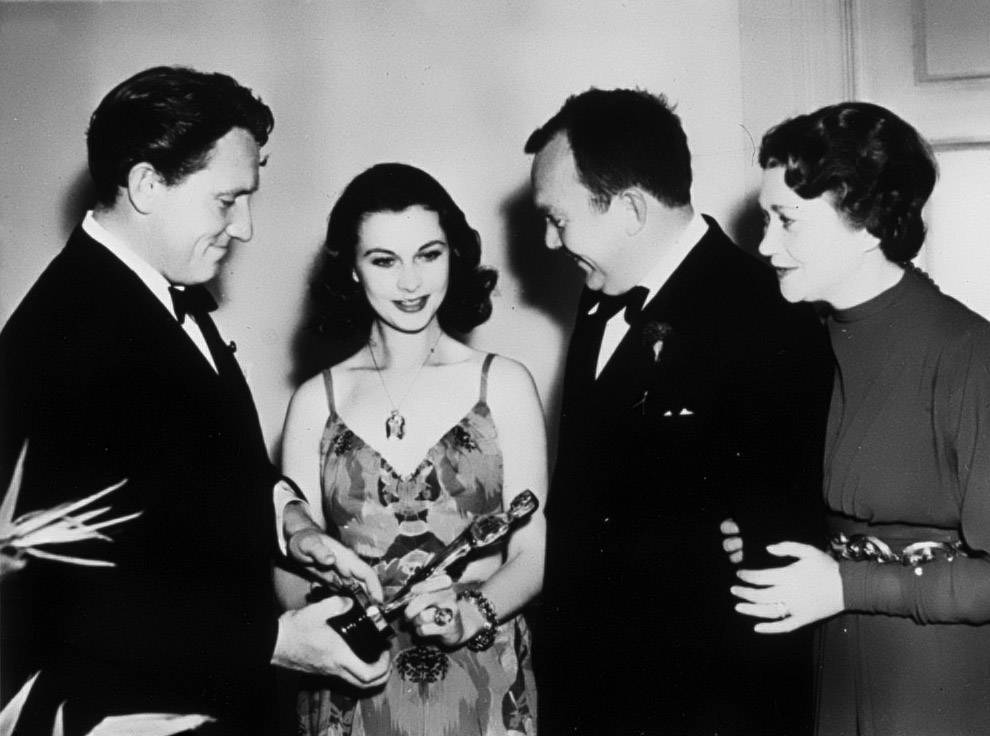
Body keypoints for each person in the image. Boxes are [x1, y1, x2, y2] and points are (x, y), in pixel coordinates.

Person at [0, 66, 390, 736]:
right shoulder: (71, 332)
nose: (244, 228)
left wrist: (291, 522)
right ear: (148, 185)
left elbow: (205, 460)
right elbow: (67, 597)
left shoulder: (158, 289)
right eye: (225, 201)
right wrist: (271, 641)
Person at [525, 88, 834, 735]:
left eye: (558, 219)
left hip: (701, 706)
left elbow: (775, 569)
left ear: (631, 208)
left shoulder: (771, 317)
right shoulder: (597, 300)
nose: (551, 243)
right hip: (593, 696)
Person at [730, 101, 990, 735]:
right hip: (838, 657)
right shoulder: (806, 341)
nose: (764, 246)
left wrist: (849, 587)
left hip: (937, 681)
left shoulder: (967, 355)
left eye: (787, 221)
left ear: (869, 222)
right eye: (766, 219)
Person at [276, 162, 547, 736]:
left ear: (455, 254)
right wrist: (340, 619)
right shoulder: (315, 400)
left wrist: (467, 614)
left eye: (429, 254)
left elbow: (533, 554)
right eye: (384, 260)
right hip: (354, 687)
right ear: (350, 268)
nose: (411, 283)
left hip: (483, 685)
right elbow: (288, 564)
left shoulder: (502, 384)